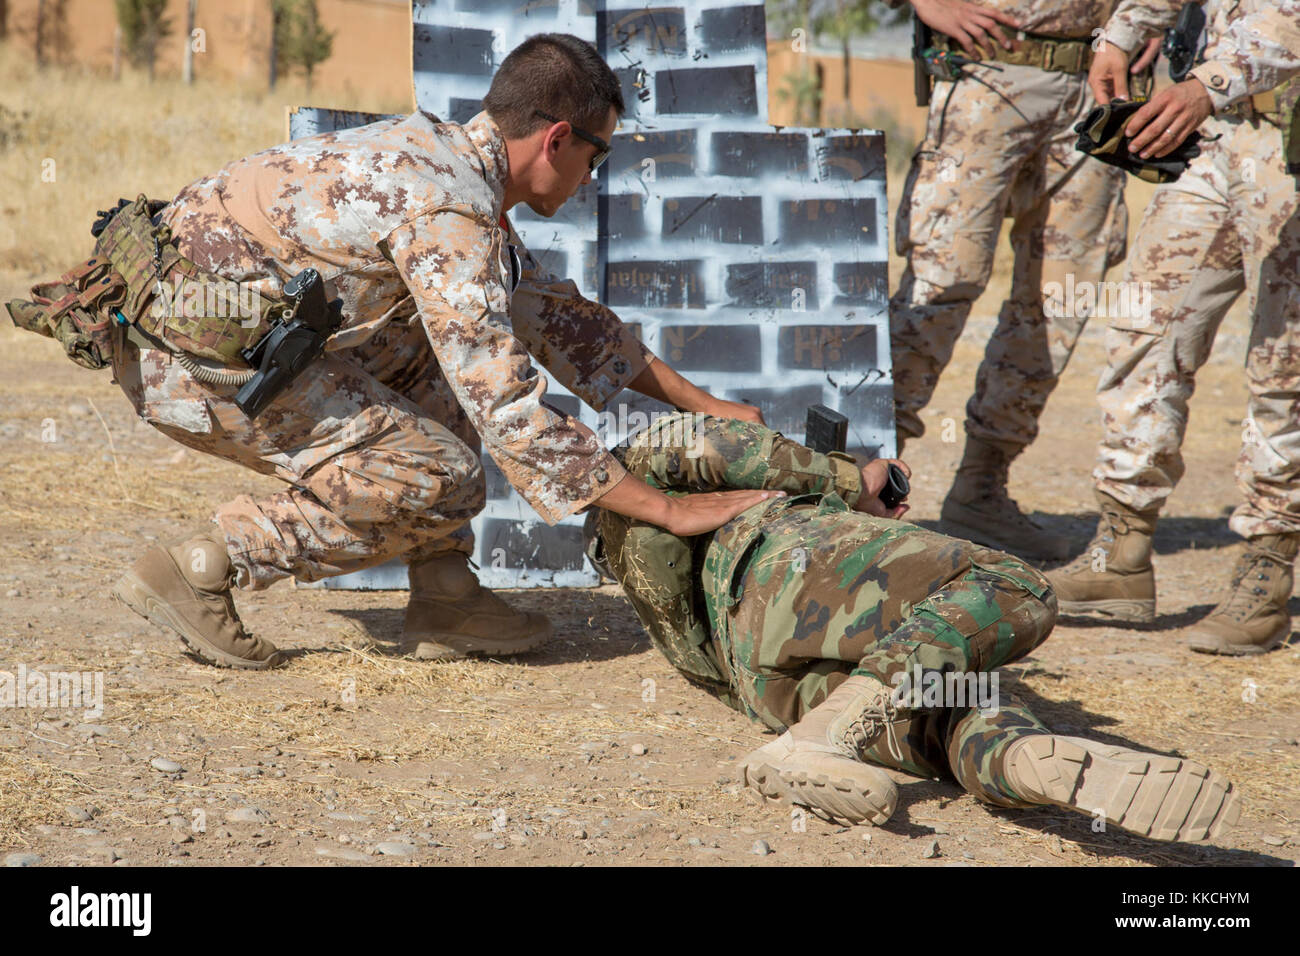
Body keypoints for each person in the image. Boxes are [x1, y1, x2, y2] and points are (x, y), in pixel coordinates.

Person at [70, 33, 776, 669]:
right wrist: (670, 511)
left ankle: (443, 591)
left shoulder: (445, 161)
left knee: (435, 348)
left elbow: (560, 320)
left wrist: (708, 406)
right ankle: (207, 564)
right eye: (600, 153)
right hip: (190, 363)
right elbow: (506, 408)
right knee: (447, 477)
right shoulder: (449, 210)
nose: (596, 175)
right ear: (558, 139)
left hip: (213, 336)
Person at [583, 413, 1241, 841]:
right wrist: (852, 479)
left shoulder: (656, 596)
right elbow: (706, 441)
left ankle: (1020, 762)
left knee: (956, 705)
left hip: (761, 686)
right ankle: (823, 737)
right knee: (1016, 587)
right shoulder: (689, 483)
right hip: (776, 565)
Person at [1048, 0, 1300, 656]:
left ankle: (1266, 572)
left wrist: (1208, 83)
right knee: (1145, 330)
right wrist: (1123, 34)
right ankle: (1121, 551)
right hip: (1216, 137)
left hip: (1286, 135)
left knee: (1284, 360)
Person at [889, 0, 1160, 562]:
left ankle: (980, 491)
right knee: (939, 283)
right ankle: (865, 479)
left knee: (1057, 301)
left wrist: (1153, 21)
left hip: (1101, 85)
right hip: (991, 71)